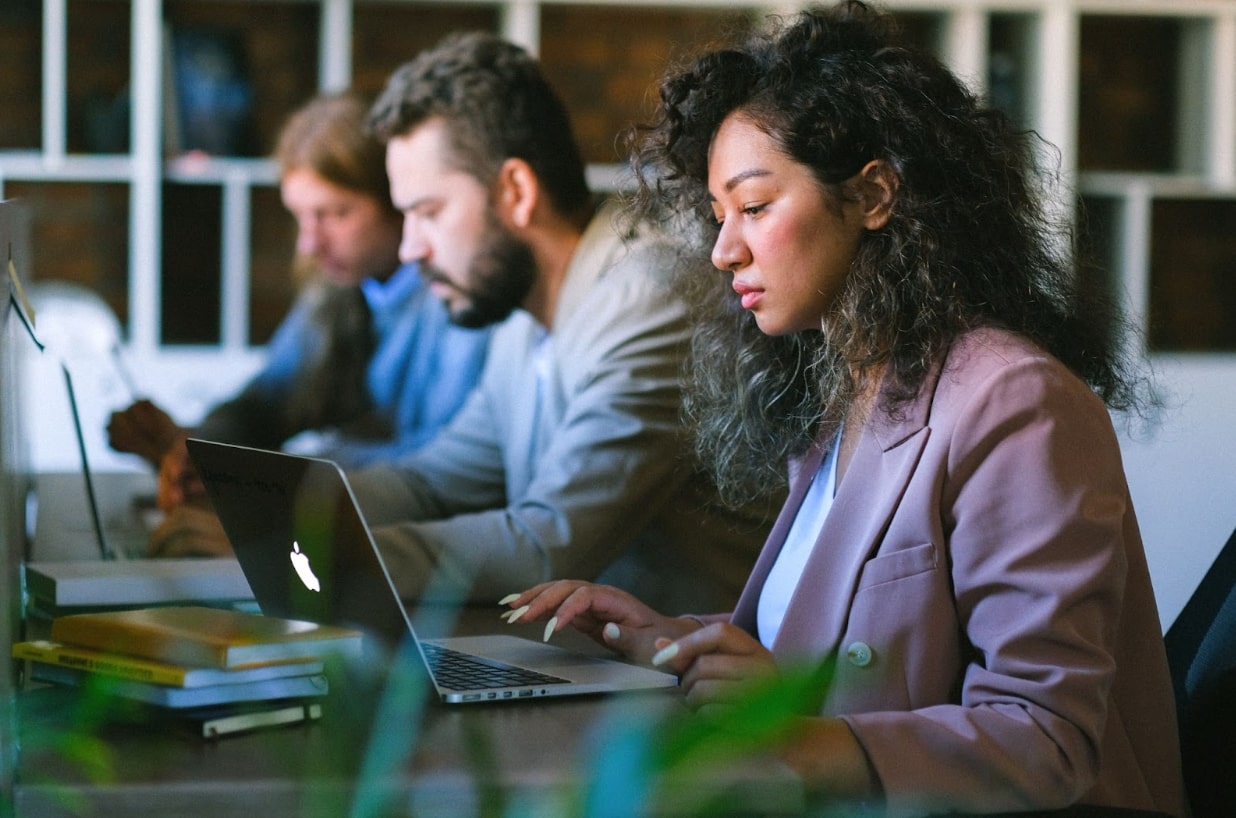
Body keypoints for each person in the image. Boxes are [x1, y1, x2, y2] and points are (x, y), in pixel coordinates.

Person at [502, 3, 1187, 815]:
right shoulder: (854, 391)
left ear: (872, 195)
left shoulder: (1015, 402)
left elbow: (1047, 738)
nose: (724, 250)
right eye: (719, 217)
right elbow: (853, 634)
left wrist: (794, 730)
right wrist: (674, 641)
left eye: (754, 208)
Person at [343, 31, 772, 614]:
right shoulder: (524, 316)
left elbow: (550, 543)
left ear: (516, 192)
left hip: (697, 690)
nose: (411, 248)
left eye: (429, 212)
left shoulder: (651, 298)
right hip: (594, 670)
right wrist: (282, 503)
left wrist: (326, 552)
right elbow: (433, 482)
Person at [107, 92, 491, 555]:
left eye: (334, 214)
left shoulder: (461, 297)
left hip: (426, 550)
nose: (310, 243)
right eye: (301, 217)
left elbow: (440, 466)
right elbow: (268, 401)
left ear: (398, 200)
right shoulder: (338, 288)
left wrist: (268, 478)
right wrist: (202, 446)